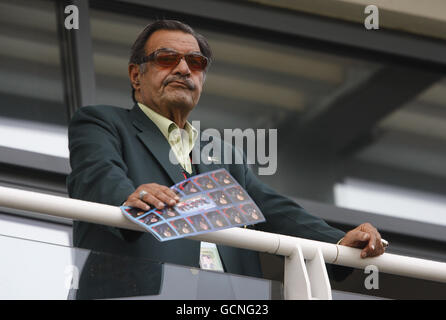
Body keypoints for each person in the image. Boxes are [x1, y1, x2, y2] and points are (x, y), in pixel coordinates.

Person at [67, 20, 386, 298]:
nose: (183, 69)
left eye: (195, 62)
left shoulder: (225, 154)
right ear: (136, 75)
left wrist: (339, 241)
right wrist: (129, 198)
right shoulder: (102, 123)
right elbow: (98, 175)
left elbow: (276, 210)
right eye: (167, 59)